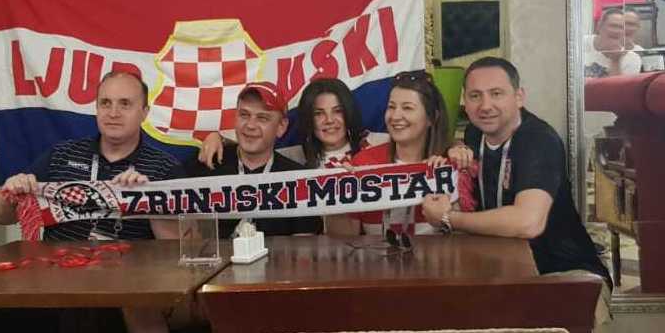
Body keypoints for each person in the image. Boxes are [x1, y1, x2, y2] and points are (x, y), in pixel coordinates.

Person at [0, 69, 183, 333]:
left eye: (125, 104)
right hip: (52, 278)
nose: (113, 112)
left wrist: (148, 201)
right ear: (96, 108)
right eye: (105, 103)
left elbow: (179, 247)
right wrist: (11, 191)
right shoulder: (62, 155)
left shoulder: (164, 168)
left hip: (123, 282)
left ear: (144, 112)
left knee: (89, 311)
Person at [420, 56, 611, 333]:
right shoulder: (474, 137)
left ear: (519, 96)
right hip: (507, 277)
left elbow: (528, 222)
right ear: (464, 101)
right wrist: (449, 162)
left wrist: (448, 218)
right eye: (475, 96)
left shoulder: (538, 140)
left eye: (497, 93)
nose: (485, 105)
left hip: (565, 276)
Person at [198, 78, 387, 235]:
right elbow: (256, 146)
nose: (329, 120)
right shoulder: (295, 158)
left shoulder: (377, 145)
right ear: (309, 119)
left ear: (349, 112)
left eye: (338, 111)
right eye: (319, 113)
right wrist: (218, 138)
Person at [185, 81, 323, 238]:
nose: (250, 125)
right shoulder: (207, 164)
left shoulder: (299, 180)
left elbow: (304, 246)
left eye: (262, 118)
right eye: (244, 115)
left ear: (281, 127)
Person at [348, 70, 466, 237]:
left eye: (407, 108)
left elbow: (462, 238)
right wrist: (337, 195)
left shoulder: (451, 164)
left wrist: (446, 215)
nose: (395, 116)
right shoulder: (363, 162)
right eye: (391, 107)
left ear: (432, 117)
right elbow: (343, 238)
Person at [584, 8, 642, 78]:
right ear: (599, 26)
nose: (616, 31)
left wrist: (615, 61)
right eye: (613, 26)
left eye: (621, 27)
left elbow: (619, 85)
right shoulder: (582, 43)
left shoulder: (632, 59)